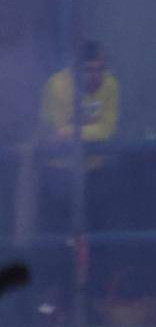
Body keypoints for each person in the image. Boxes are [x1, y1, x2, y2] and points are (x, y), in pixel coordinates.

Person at [34, 41, 121, 231]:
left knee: (101, 233)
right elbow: (56, 132)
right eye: (89, 70)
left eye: (101, 69)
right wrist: (87, 130)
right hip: (59, 171)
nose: (96, 76)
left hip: (94, 170)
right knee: (60, 235)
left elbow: (106, 130)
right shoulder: (57, 86)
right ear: (74, 70)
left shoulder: (111, 84)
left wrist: (69, 131)